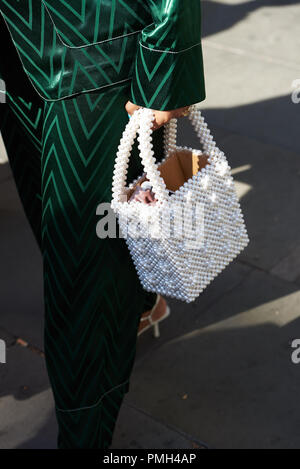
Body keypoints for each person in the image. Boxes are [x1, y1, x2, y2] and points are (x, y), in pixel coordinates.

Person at [0, 1, 206, 449]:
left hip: (94, 41)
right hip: (15, 45)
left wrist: (166, 63)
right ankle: (141, 297)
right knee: (54, 227)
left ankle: (84, 438)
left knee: (82, 276)